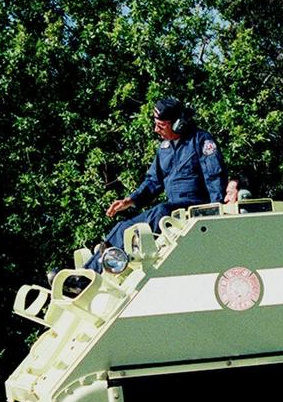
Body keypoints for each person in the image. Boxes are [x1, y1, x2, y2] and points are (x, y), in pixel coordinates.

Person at [86, 96, 226, 271]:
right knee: (123, 227)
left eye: (160, 125)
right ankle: (85, 277)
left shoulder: (201, 140)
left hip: (194, 208)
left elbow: (214, 177)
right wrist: (130, 200)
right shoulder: (164, 149)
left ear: (177, 124)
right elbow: (153, 181)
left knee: (160, 211)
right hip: (173, 211)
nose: (155, 129)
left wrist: (215, 212)